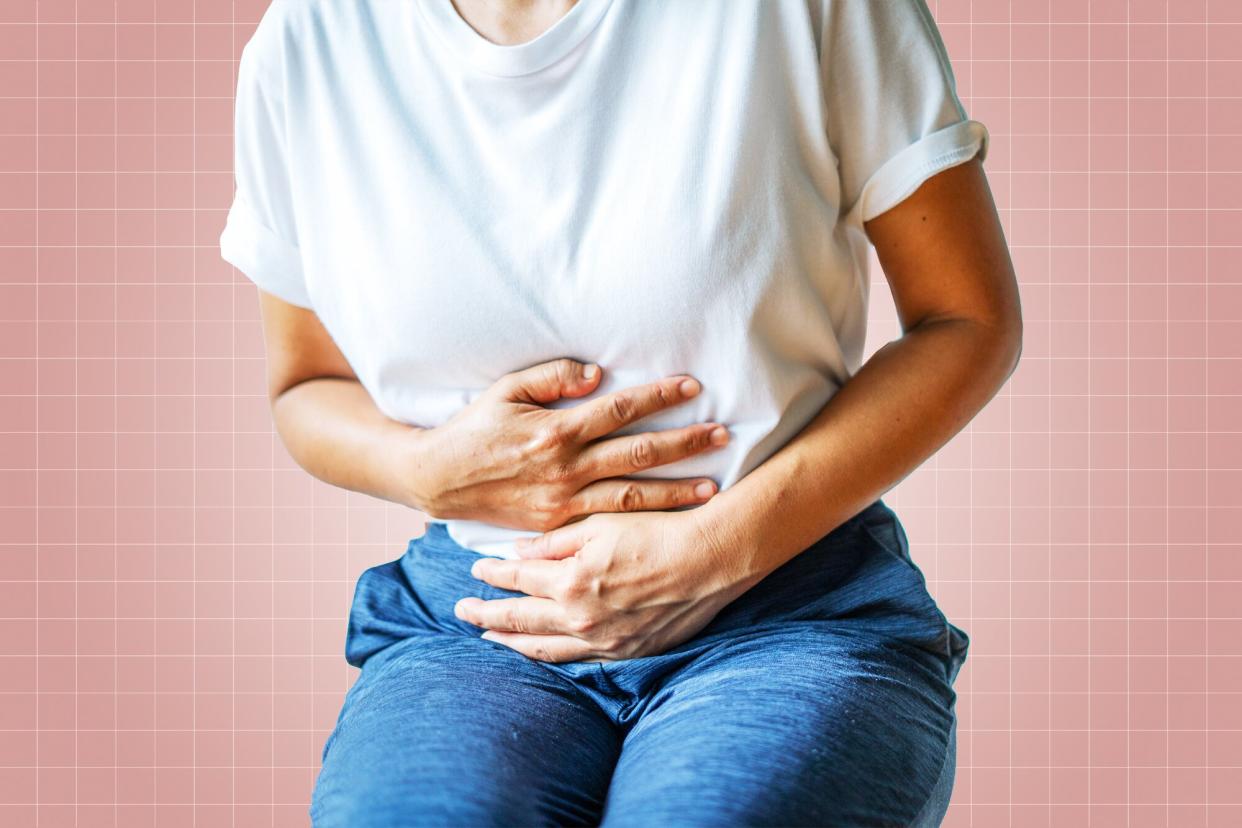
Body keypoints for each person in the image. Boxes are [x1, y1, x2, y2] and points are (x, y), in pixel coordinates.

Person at [219, 0, 1022, 825]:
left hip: (787, 610)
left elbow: (966, 318)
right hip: (481, 616)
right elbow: (305, 385)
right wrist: (422, 471)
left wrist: (718, 550)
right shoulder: (308, 41)